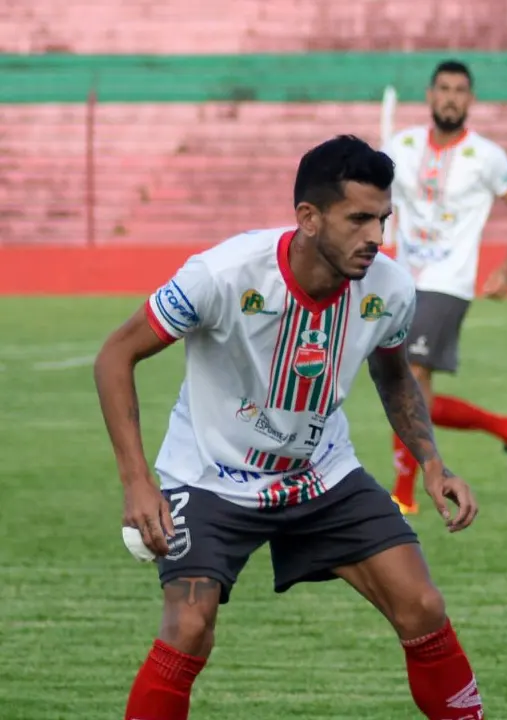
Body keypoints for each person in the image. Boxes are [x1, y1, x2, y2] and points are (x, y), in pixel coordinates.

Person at [94, 135, 484, 720]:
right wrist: (136, 482)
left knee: (423, 606)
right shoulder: (222, 275)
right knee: (189, 627)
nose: (375, 237)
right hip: (209, 476)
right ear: (308, 217)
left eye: (382, 219)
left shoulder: (391, 289)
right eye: (358, 219)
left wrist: (432, 462)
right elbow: (114, 357)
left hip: (320, 474)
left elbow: (395, 376)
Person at [382, 59, 507, 515]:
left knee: (409, 381)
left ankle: (403, 495)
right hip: (402, 280)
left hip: (448, 283)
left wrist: (506, 268)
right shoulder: (402, 146)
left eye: (459, 91)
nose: (451, 98)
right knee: (412, 395)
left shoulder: (486, 156)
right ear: (430, 96)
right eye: (444, 89)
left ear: (470, 100)